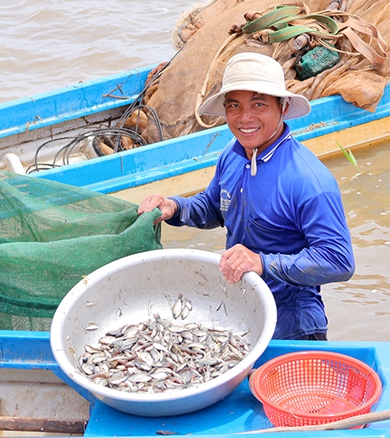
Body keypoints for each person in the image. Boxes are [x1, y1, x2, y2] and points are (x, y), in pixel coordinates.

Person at [138, 52, 354, 341]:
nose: (245, 118)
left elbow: (339, 261)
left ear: (283, 105)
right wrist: (174, 207)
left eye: (259, 104)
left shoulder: (308, 180)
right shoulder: (233, 153)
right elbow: (213, 207)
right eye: (234, 106)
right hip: (241, 311)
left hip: (294, 324)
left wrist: (263, 263)